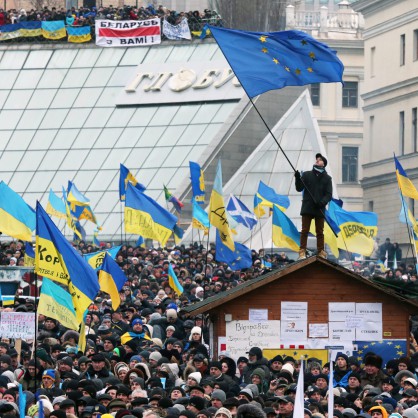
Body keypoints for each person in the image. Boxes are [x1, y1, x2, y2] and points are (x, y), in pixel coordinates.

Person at [295, 153, 332, 259]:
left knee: (319, 232)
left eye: (319, 160)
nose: (317, 160)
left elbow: (328, 195)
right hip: (307, 207)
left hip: (319, 208)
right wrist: (298, 178)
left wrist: (321, 202)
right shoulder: (306, 175)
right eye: (317, 159)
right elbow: (299, 188)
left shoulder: (327, 178)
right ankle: (302, 251)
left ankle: (321, 251)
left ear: (323, 164)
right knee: (304, 230)